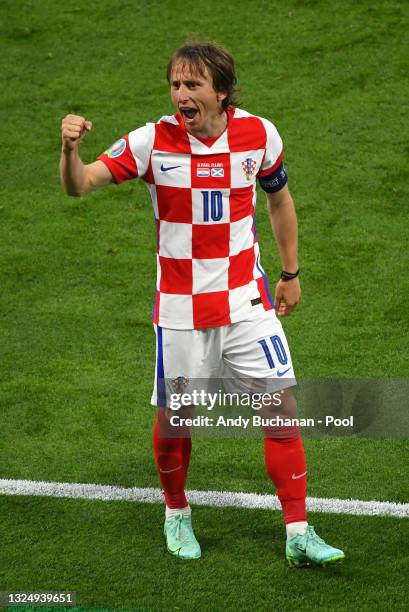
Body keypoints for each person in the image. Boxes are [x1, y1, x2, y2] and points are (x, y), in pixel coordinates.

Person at [60, 41, 345, 567]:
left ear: (222, 91)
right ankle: (176, 513)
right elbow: (80, 186)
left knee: (281, 407)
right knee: (178, 418)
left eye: (193, 86)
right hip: (181, 312)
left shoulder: (259, 135)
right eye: (175, 85)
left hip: (246, 302)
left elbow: (278, 199)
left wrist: (291, 273)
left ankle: (299, 531)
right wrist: (69, 152)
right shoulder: (151, 142)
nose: (181, 96)